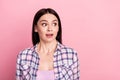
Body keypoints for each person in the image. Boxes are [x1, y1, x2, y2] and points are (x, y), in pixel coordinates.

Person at [16, 8, 80, 80]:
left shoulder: (71, 54)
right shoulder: (23, 56)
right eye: (44, 24)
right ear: (36, 28)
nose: (50, 29)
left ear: (58, 28)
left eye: (54, 24)